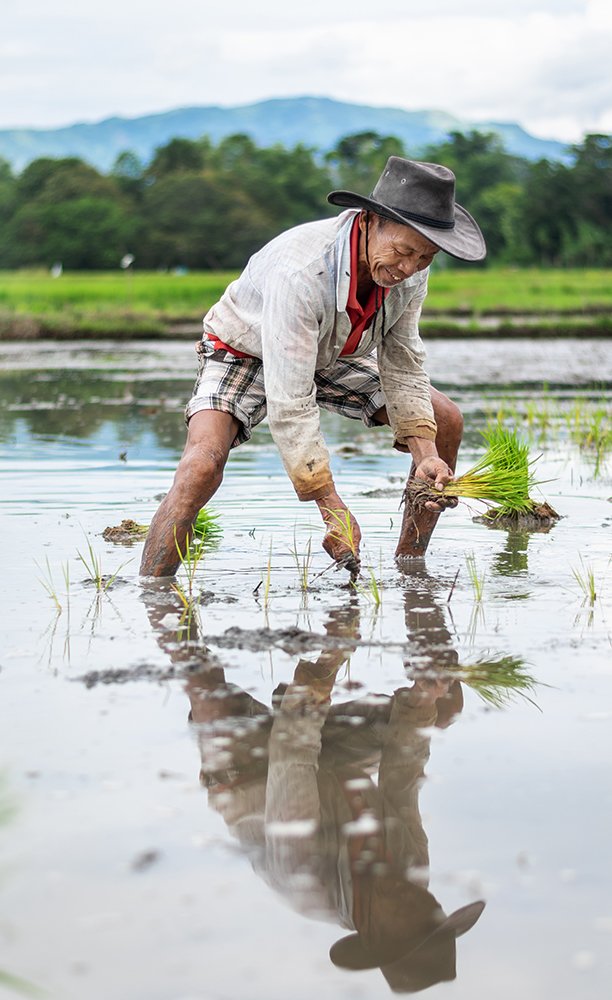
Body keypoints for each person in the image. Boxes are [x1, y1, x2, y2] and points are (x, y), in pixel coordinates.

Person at [140, 156, 486, 578]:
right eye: (403, 251)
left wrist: (426, 454)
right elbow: (291, 399)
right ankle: (153, 591)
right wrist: (331, 509)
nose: (409, 268)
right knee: (201, 466)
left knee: (444, 420)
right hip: (245, 348)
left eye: (426, 257)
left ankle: (411, 567)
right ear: (371, 220)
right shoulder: (302, 270)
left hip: (330, 349)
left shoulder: (409, 272)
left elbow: (403, 361)